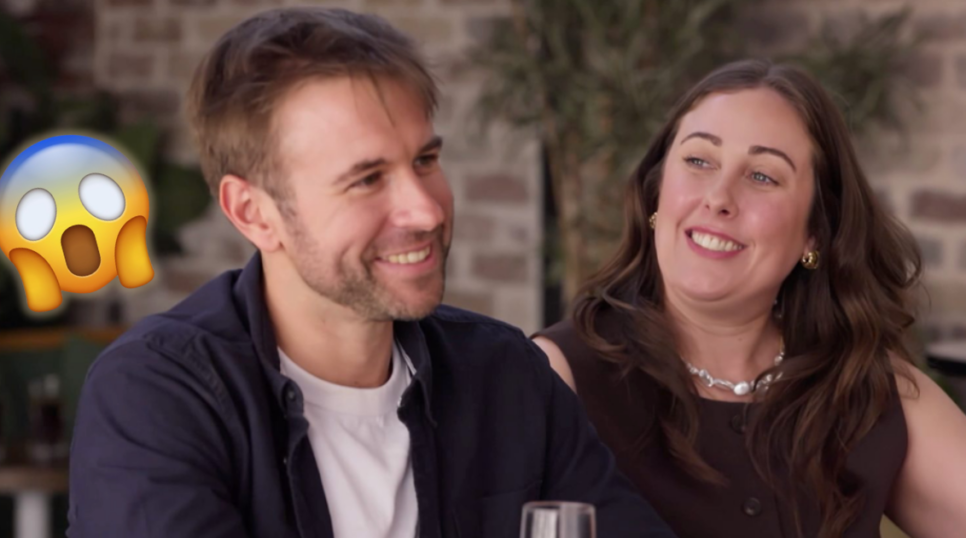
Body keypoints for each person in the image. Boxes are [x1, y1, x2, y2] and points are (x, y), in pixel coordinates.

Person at [66, 7, 676, 538]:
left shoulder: (505, 376)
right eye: (366, 179)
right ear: (254, 213)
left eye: (425, 160)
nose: (426, 210)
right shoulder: (157, 396)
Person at [533, 58, 966, 538]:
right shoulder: (554, 377)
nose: (719, 197)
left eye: (762, 176)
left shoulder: (868, 387)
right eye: (699, 161)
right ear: (656, 193)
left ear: (815, 232)